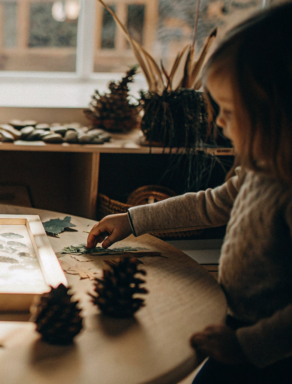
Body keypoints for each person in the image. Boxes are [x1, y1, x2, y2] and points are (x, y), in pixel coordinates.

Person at [86, 3, 292, 383]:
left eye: (230, 109)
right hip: (233, 327)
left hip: (269, 356)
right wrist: (132, 220)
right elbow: (209, 204)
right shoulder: (257, 170)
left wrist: (249, 345)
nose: (218, 121)